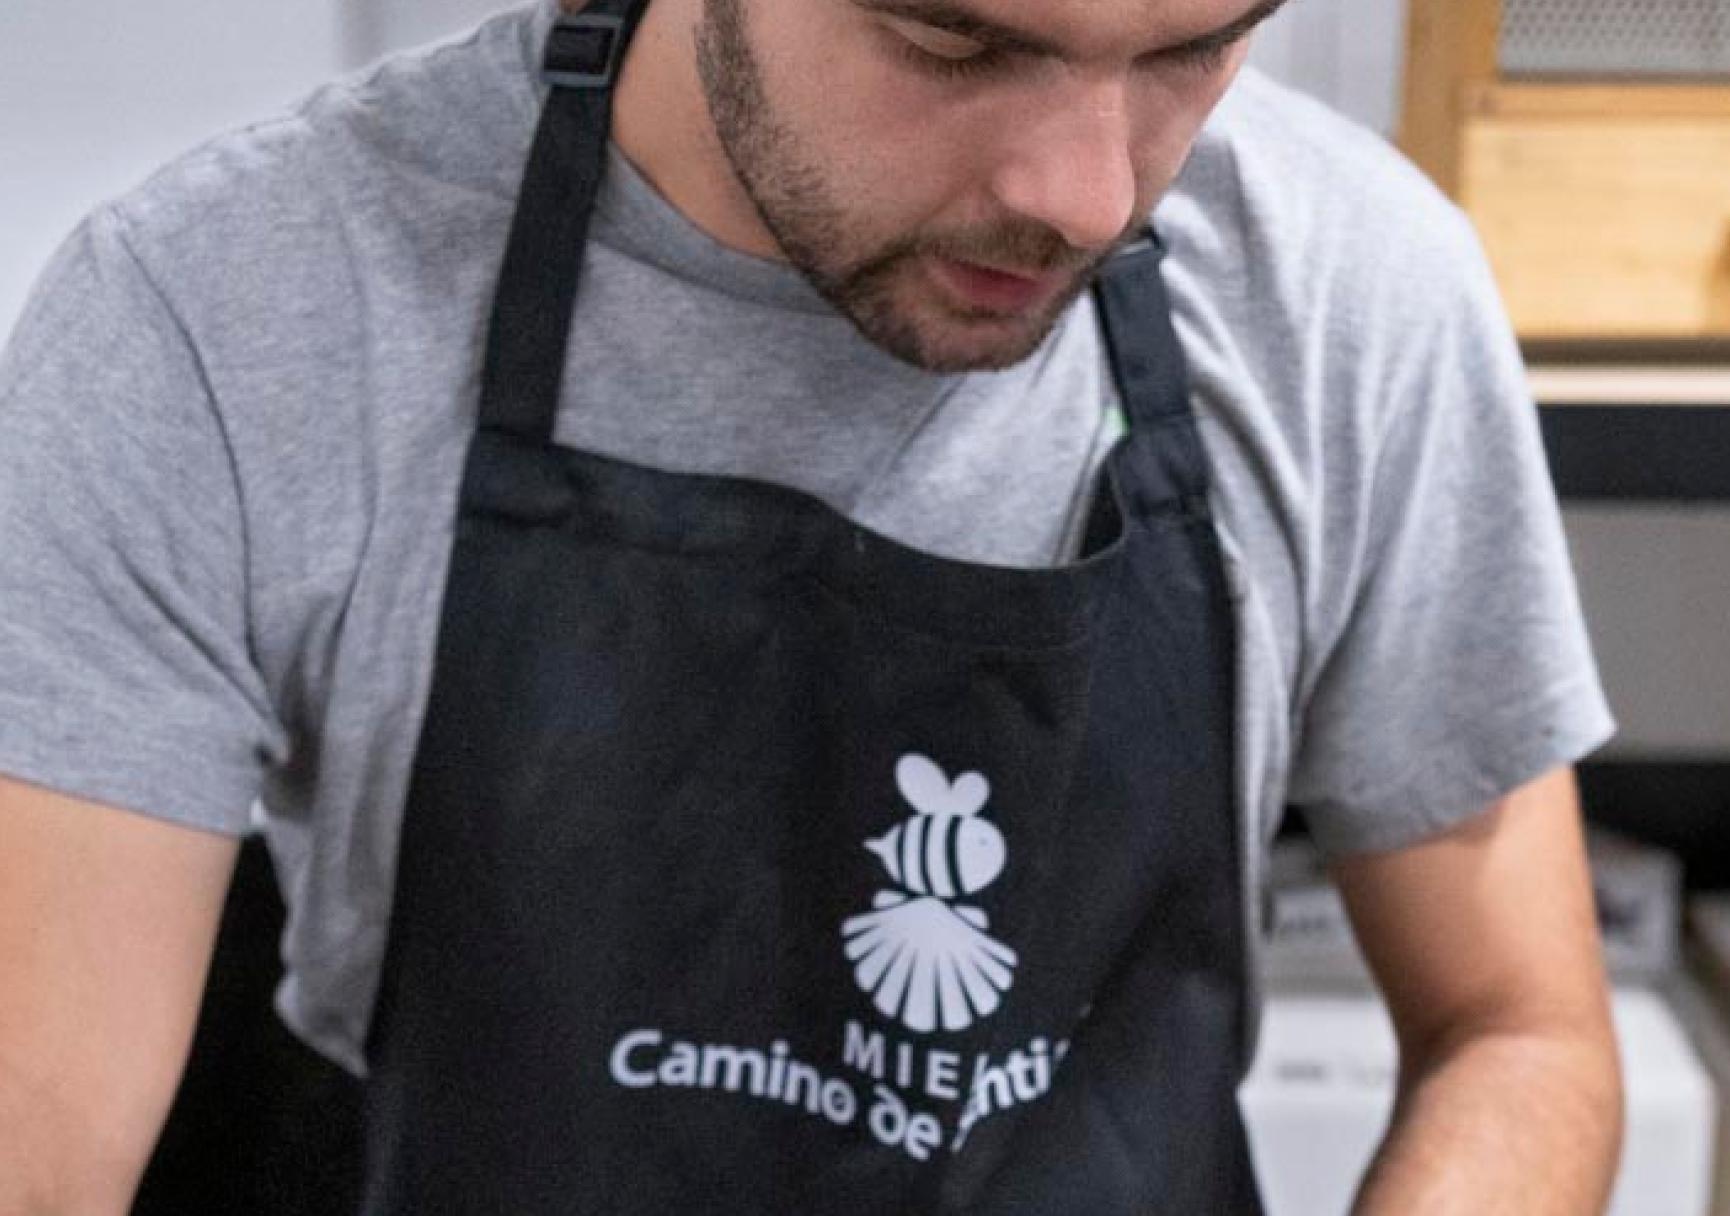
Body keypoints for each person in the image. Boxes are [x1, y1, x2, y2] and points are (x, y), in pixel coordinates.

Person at [0, 0, 1625, 1211]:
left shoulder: (1349, 295)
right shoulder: (225, 321)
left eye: (1190, 52)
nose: (1084, 190)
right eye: (954, 41)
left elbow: (1518, 1034)